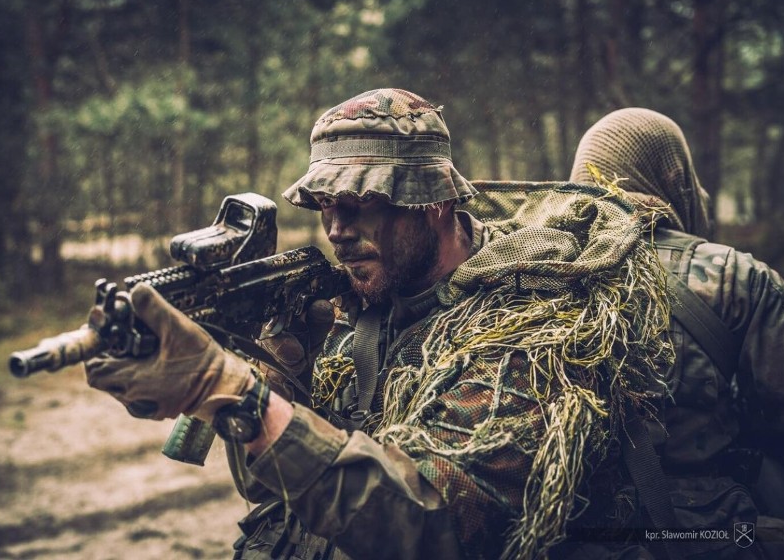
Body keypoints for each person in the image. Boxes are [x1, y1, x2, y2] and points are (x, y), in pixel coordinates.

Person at [84, 90, 675, 559]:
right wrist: (259, 360)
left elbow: (427, 521)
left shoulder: (528, 323)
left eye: (360, 202)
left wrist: (234, 394)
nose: (337, 229)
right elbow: (272, 490)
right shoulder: (344, 301)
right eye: (325, 207)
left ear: (433, 203)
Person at [570, 107, 784, 557]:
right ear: (673, 178)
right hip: (707, 533)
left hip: (575, 533)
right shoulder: (737, 277)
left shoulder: (543, 274)